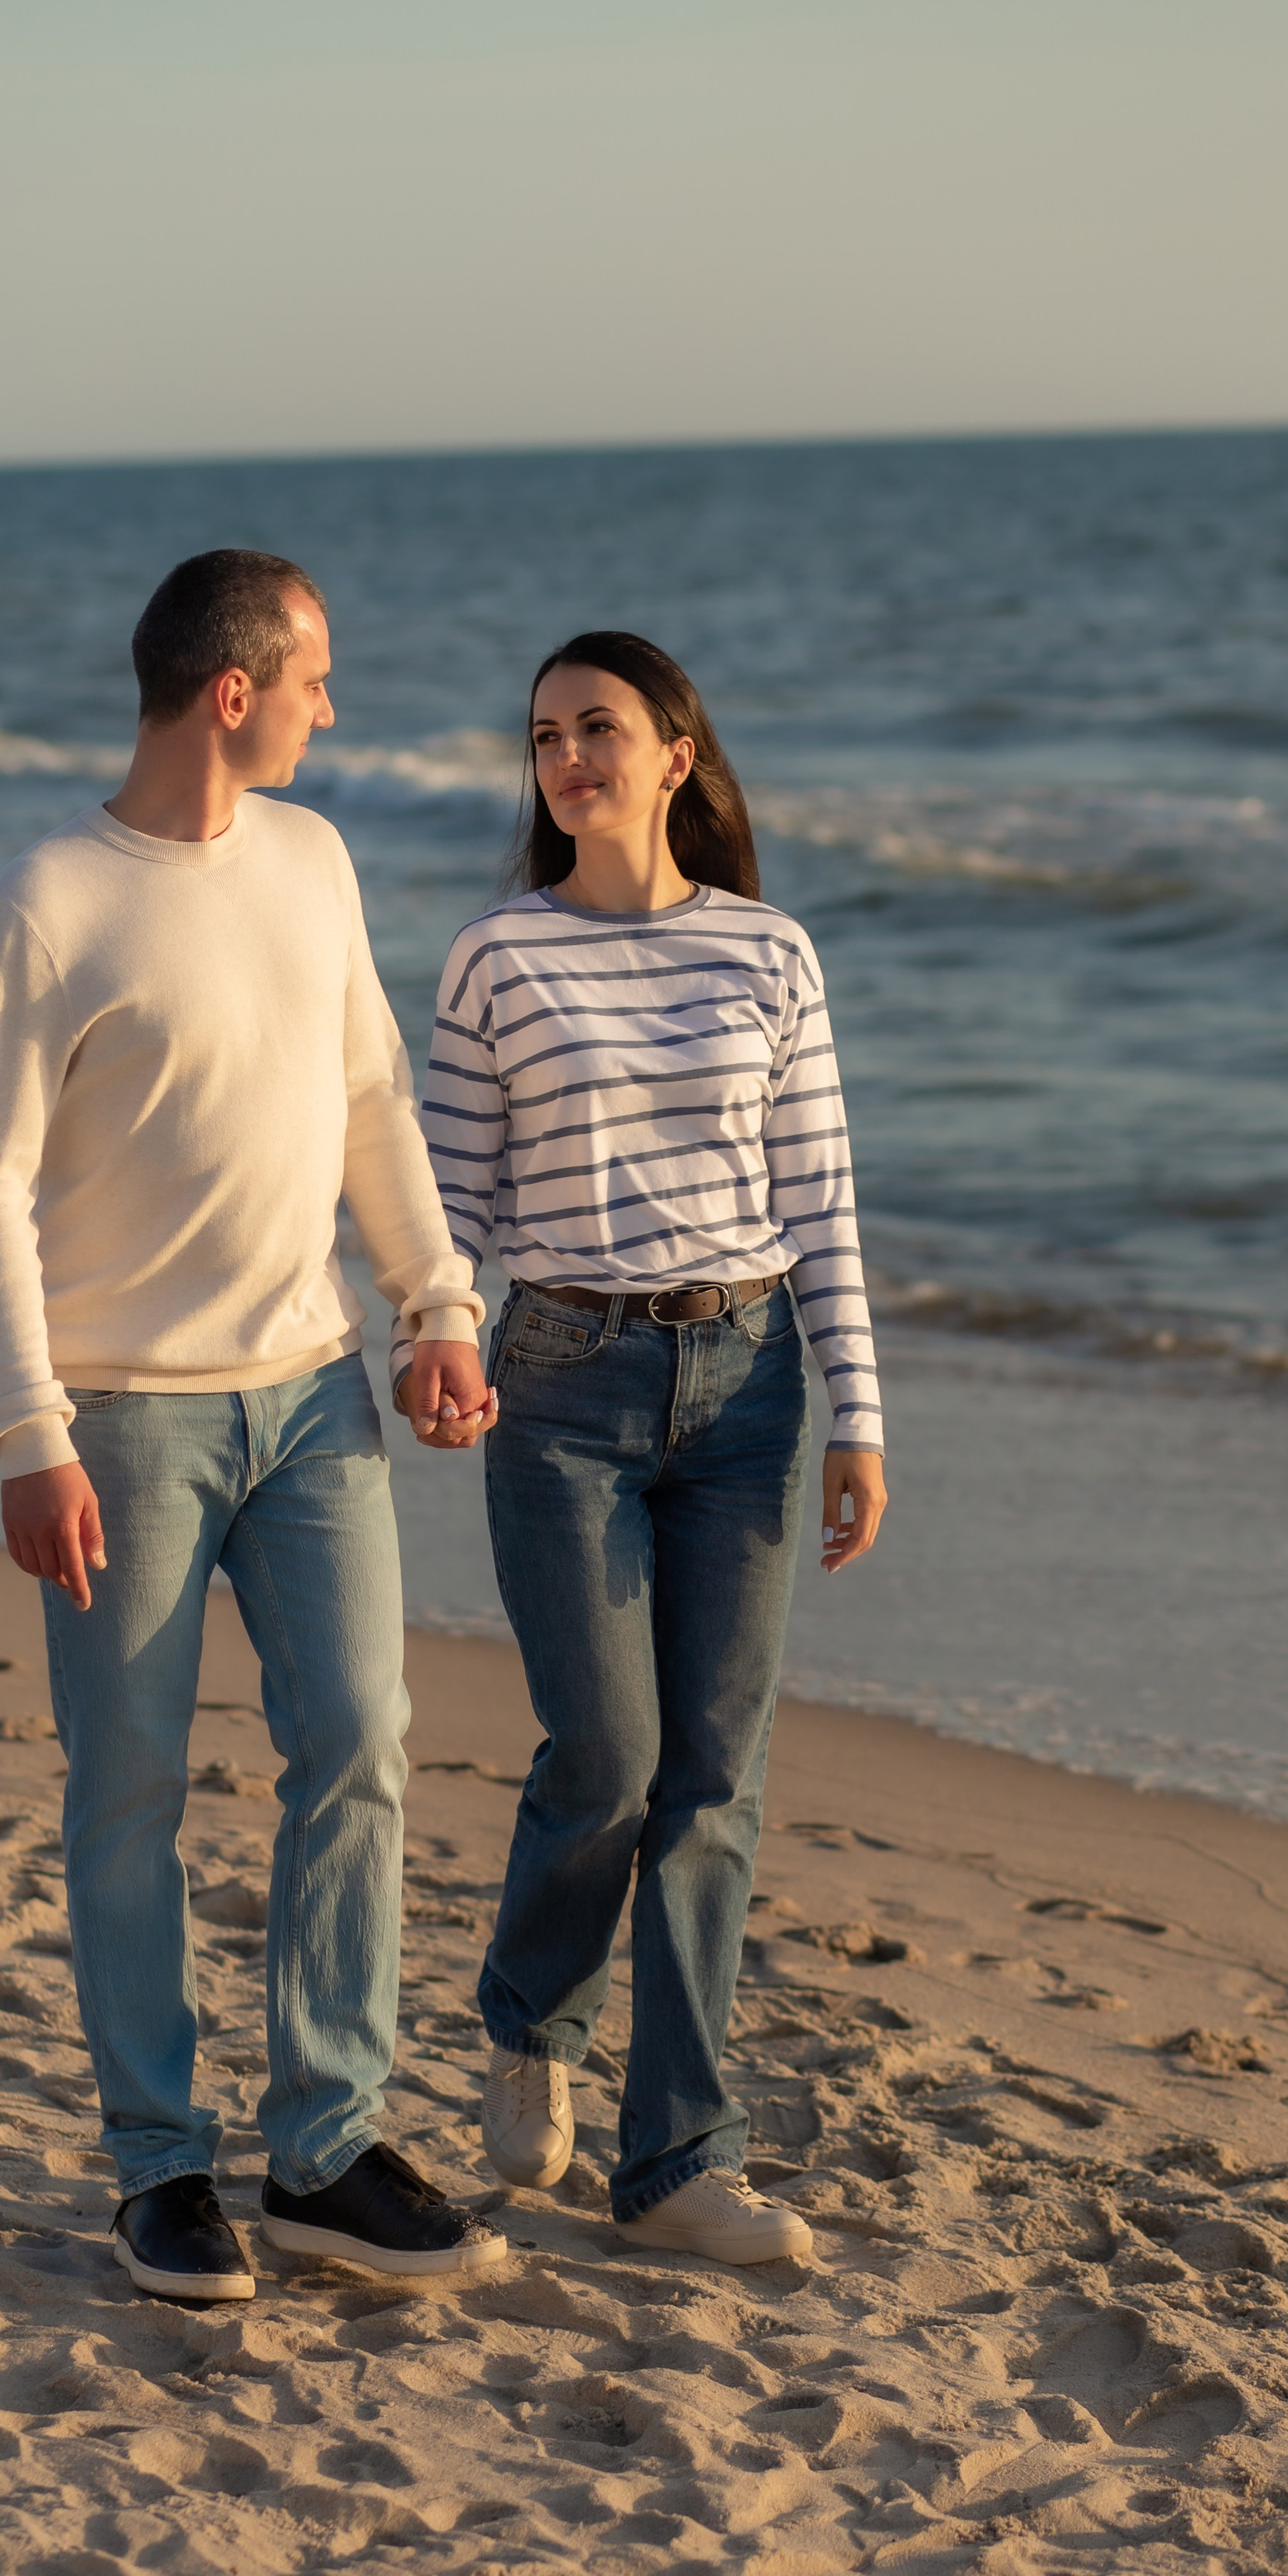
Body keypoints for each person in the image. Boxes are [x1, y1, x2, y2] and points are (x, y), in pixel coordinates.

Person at [0, 548, 502, 2305]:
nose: (337, 707)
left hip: (314, 1391)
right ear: (232, 691)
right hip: (121, 1426)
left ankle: (323, 2146)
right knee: (131, 1793)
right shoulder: (46, 907)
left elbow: (367, 1097)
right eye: (316, 677)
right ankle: (159, 2163)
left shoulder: (316, 861)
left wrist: (434, 1301)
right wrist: (27, 1435)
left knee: (362, 1742)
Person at [405, 630, 887, 2265]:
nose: (565, 758)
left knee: (714, 1781)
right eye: (542, 737)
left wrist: (857, 1417)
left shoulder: (768, 952)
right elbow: (450, 1199)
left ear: (675, 751)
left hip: (748, 1388)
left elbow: (818, 1198)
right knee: (604, 1759)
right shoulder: (494, 958)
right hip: (559, 1384)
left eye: (595, 728)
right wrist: (438, 1334)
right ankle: (534, 2022)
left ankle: (675, 2159)